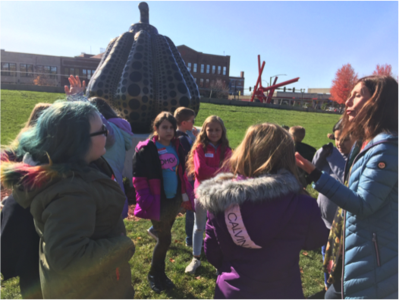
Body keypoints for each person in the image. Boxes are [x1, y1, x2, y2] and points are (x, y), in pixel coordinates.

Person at [0, 101, 135, 299]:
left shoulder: (79, 171)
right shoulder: (72, 192)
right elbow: (68, 256)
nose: (107, 134)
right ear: (79, 142)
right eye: (102, 130)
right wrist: (122, 246)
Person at [296, 75, 399, 299]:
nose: (347, 102)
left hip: (376, 259)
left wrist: (315, 175)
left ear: (378, 101)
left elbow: (363, 203)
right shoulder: (365, 144)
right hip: (356, 247)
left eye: (357, 95)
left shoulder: (387, 149)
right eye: (349, 95)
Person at [197, 123, 328, 299]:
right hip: (283, 291)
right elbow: (316, 240)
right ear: (287, 156)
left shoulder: (221, 200)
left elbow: (212, 251)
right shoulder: (304, 204)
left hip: (233, 289)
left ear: (245, 151)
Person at [132, 112, 194, 293]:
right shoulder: (147, 149)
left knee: (165, 239)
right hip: (157, 200)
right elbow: (139, 177)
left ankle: (161, 273)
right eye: (164, 127)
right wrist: (145, 199)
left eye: (171, 127)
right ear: (156, 128)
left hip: (173, 199)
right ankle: (154, 274)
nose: (168, 131)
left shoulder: (178, 146)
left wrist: (183, 196)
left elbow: (181, 171)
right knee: (165, 239)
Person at [0, 103, 51, 300]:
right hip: (31, 214)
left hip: (20, 213)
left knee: (29, 271)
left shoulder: (22, 144)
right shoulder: (43, 149)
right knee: (35, 269)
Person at [65, 75, 134, 218]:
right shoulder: (121, 131)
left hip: (104, 189)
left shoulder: (108, 131)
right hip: (113, 186)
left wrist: (80, 101)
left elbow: (106, 133)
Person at [185, 115, 232, 274]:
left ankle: (218, 259)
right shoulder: (199, 148)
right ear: (204, 130)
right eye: (210, 129)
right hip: (202, 193)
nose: (213, 132)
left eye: (217, 129)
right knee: (199, 226)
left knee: (219, 227)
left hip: (220, 194)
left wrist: (216, 173)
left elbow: (229, 171)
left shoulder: (227, 150)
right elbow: (200, 171)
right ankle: (196, 258)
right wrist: (219, 173)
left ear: (222, 131)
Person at [311, 120, 354, 291]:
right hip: (325, 218)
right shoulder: (332, 155)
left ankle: (339, 288)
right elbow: (314, 168)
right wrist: (322, 152)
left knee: (340, 257)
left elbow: (345, 178)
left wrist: (332, 155)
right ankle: (327, 284)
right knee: (326, 254)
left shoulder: (353, 160)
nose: (339, 144)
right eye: (337, 139)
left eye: (344, 140)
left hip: (342, 223)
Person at [174, 107, 196, 247]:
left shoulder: (178, 136)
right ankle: (189, 238)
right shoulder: (183, 139)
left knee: (180, 204)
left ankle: (155, 229)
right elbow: (189, 158)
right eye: (192, 121)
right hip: (186, 178)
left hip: (181, 177)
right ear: (184, 123)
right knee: (190, 207)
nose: (194, 123)